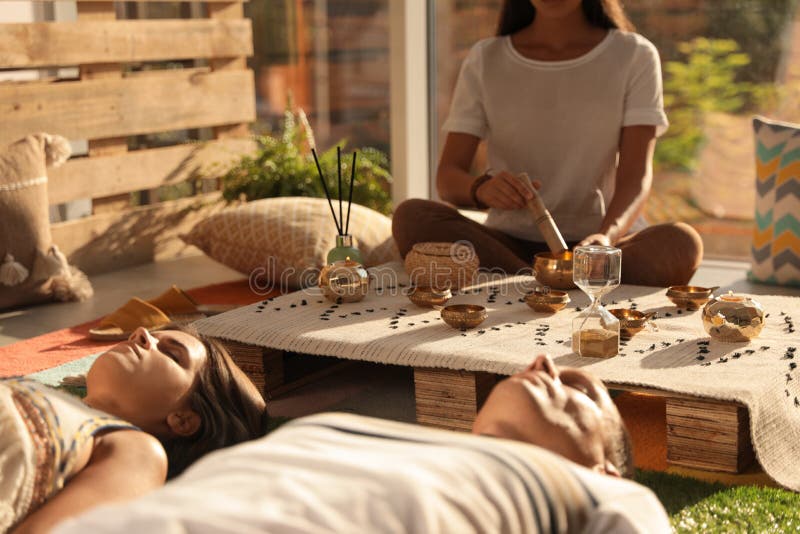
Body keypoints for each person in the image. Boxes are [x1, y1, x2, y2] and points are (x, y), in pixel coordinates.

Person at [52, 355, 671, 533]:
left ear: (607, 470)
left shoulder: (602, 498)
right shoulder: (396, 444)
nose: (543, 361)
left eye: (580, 388)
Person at [393, 0, 703, 287]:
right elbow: (448, 178)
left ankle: (535, 285)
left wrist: (606, 238)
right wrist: (481, 189)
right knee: (412, 217)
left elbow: (636, 176)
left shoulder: (634, 55)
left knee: (682, 243)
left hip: (597, 249)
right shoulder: (486, 59)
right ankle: (545, 282)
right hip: (508, 244)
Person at [1, 326, 268, 534]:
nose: (141, 334)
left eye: (172, 354)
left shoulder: (140, 453)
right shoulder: (50, 401)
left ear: (184, 420)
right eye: (150, 334)